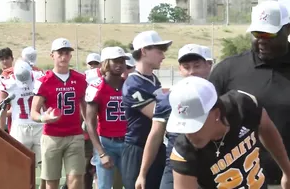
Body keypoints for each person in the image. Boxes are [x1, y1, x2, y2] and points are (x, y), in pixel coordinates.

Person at [208, 1, 290, 186]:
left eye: (269, 34)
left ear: (288, 29)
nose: (261, 40)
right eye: (256, 34)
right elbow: (206, 122)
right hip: (239, 180)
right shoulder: (227, 70)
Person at [161, 76, 290, 189]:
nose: (189, 133)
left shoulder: (242, 106)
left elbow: (267, 129)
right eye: (184, 126)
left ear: (216, 113)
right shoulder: (184, 151)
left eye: (195, 125)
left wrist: (287, 171)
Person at [135, 44, 212, 189]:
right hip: (176, 166)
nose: (192, 72)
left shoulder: (218, 98)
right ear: (180, 70)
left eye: (197, 66)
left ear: (208, 66)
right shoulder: (168, 99)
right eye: (186, 67)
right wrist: (142, 173)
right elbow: (155, 135)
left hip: (211, 168)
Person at [31, 38, 87, 189]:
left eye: (67, 53)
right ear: (52, 55)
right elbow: (34, 112)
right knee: (51, 182)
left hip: (75, 134)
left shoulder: (80, 79)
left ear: (70, 55)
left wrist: (88, 125)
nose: (63, 56)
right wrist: (44, 118)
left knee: (76, 179)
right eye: (60, 53)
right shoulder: (44, 81)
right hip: (52, 136)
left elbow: (85, 106)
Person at [121, 30, 172, 189]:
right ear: (143, 51)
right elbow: (159, 114)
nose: (163, 56)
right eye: (159, 51)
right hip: (137, 150)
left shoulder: (152, 79)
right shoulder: (133, 85)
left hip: (156, 147)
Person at [85, 46, 129, 189]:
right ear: (105, 63)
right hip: (106, 142)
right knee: (104, 186)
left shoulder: (129, 85)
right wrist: (101, 153)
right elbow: (90, 123)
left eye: (122, 61)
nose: (120, 64)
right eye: (115, 61)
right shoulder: (96, 87)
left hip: (128, 142)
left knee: (132, 184)